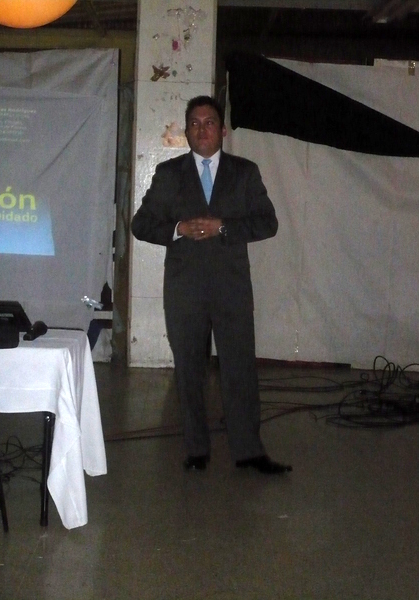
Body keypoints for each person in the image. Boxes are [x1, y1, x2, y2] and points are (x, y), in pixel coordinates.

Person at [131, 95, 292, 474]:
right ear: (186, 132)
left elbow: (267, 222)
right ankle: (196, 449)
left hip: (231, 288)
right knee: (189, 369)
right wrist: (177, 229)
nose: (202, 130)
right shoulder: (169, 174)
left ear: (222, 130)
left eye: (209, 123)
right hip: (184, 289)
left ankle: (249, 451)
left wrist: (224, 227)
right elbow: (141, 224)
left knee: (239, 368)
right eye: (194, 124)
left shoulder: (244, 172)